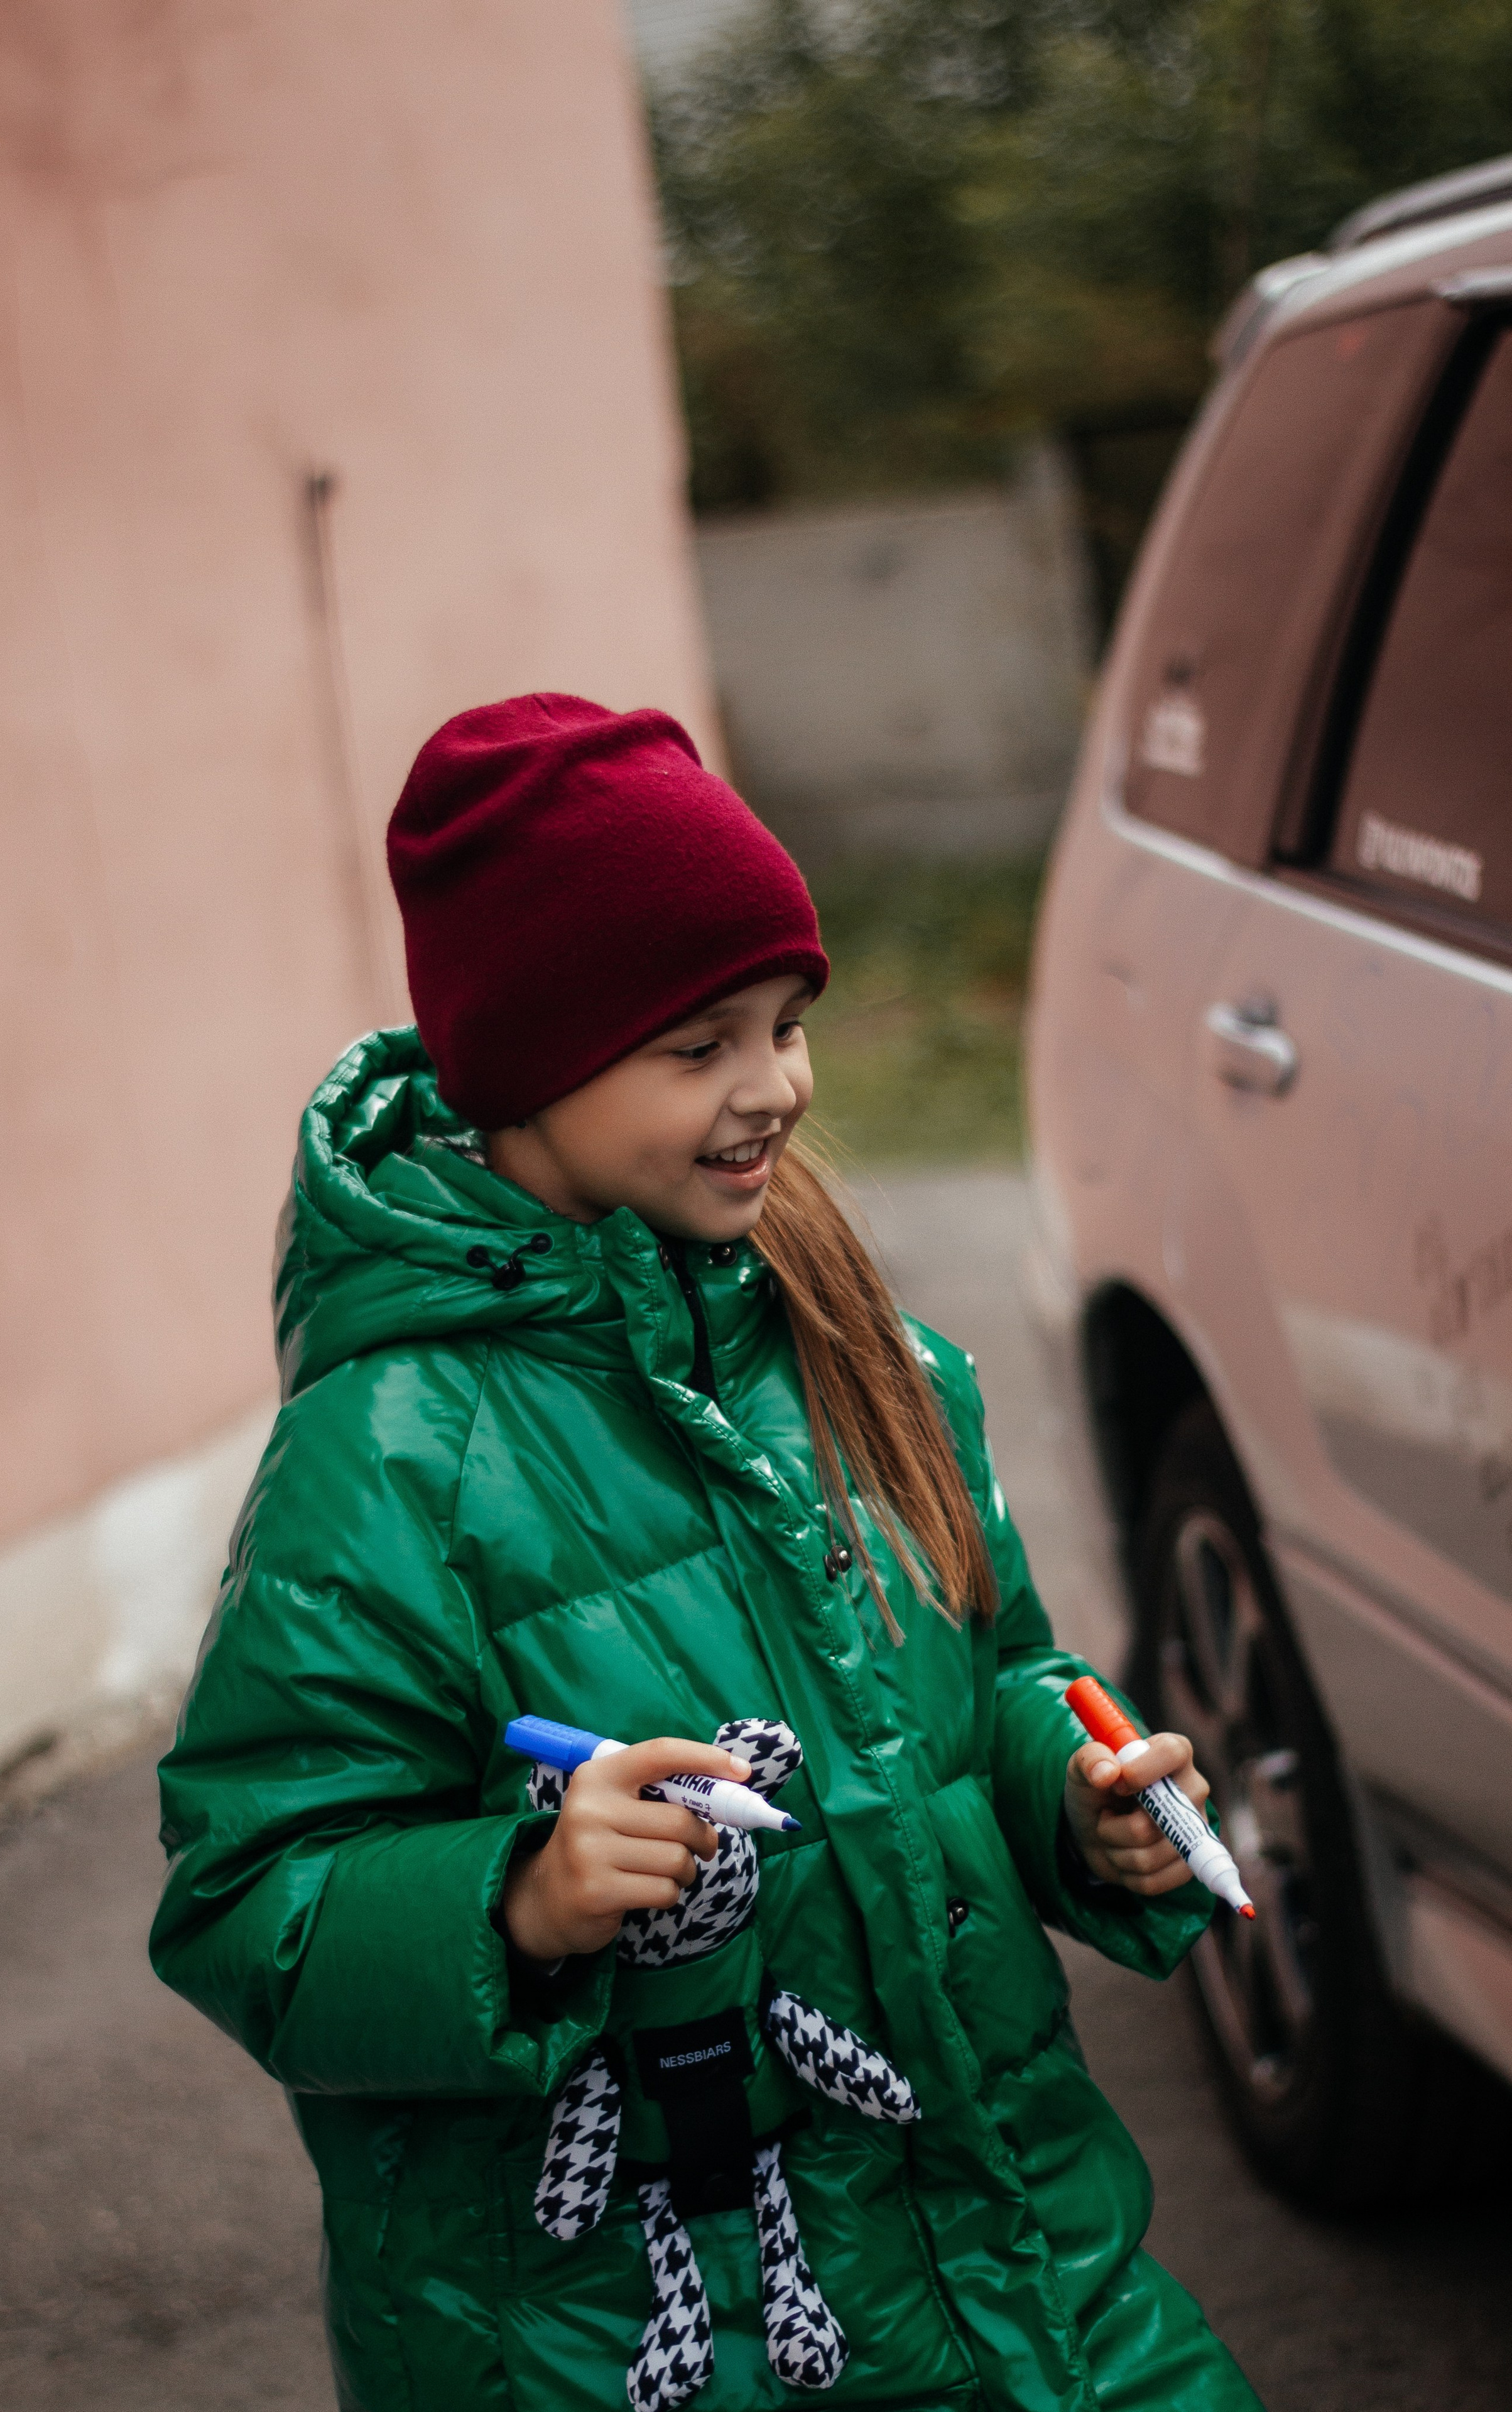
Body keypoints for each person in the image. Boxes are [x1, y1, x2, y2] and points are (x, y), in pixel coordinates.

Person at [150, 693, 1263, 2412]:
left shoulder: (867, 1350)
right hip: (634, 2339)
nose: (777, 1090)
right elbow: (245, 1897)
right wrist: (513, 1897)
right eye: (700, 1048)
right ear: (533, 1066)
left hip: (1027, 2265)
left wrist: (1072, 1794)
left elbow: (994, 1671)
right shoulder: (384, 1458)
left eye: (788, 1022)